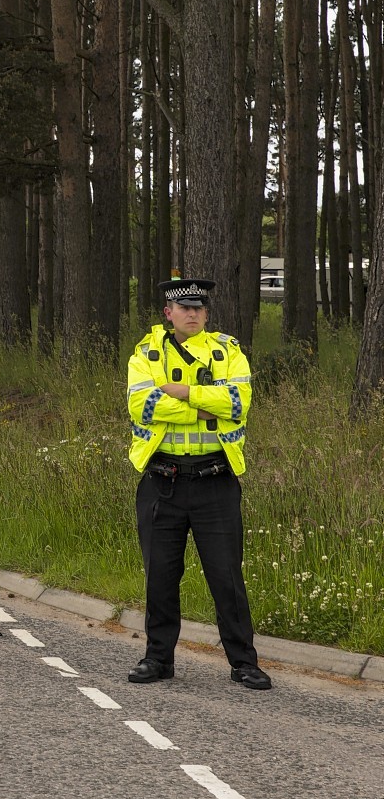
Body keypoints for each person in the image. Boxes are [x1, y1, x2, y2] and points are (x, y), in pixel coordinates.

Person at [125, 276, 271, 690]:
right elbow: (143, 405)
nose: (192, 314)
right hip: (162, 481)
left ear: (207, 313)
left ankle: (244, 662)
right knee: (160, 576)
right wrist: (206, 405)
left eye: (198, 308)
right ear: (168, 313)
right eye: (183, 308)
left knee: (226, 577)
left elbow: (239, 403)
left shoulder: (228, 351)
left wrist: (183, 391)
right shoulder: (146, 353)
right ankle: (158, 659)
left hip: (215, 481)